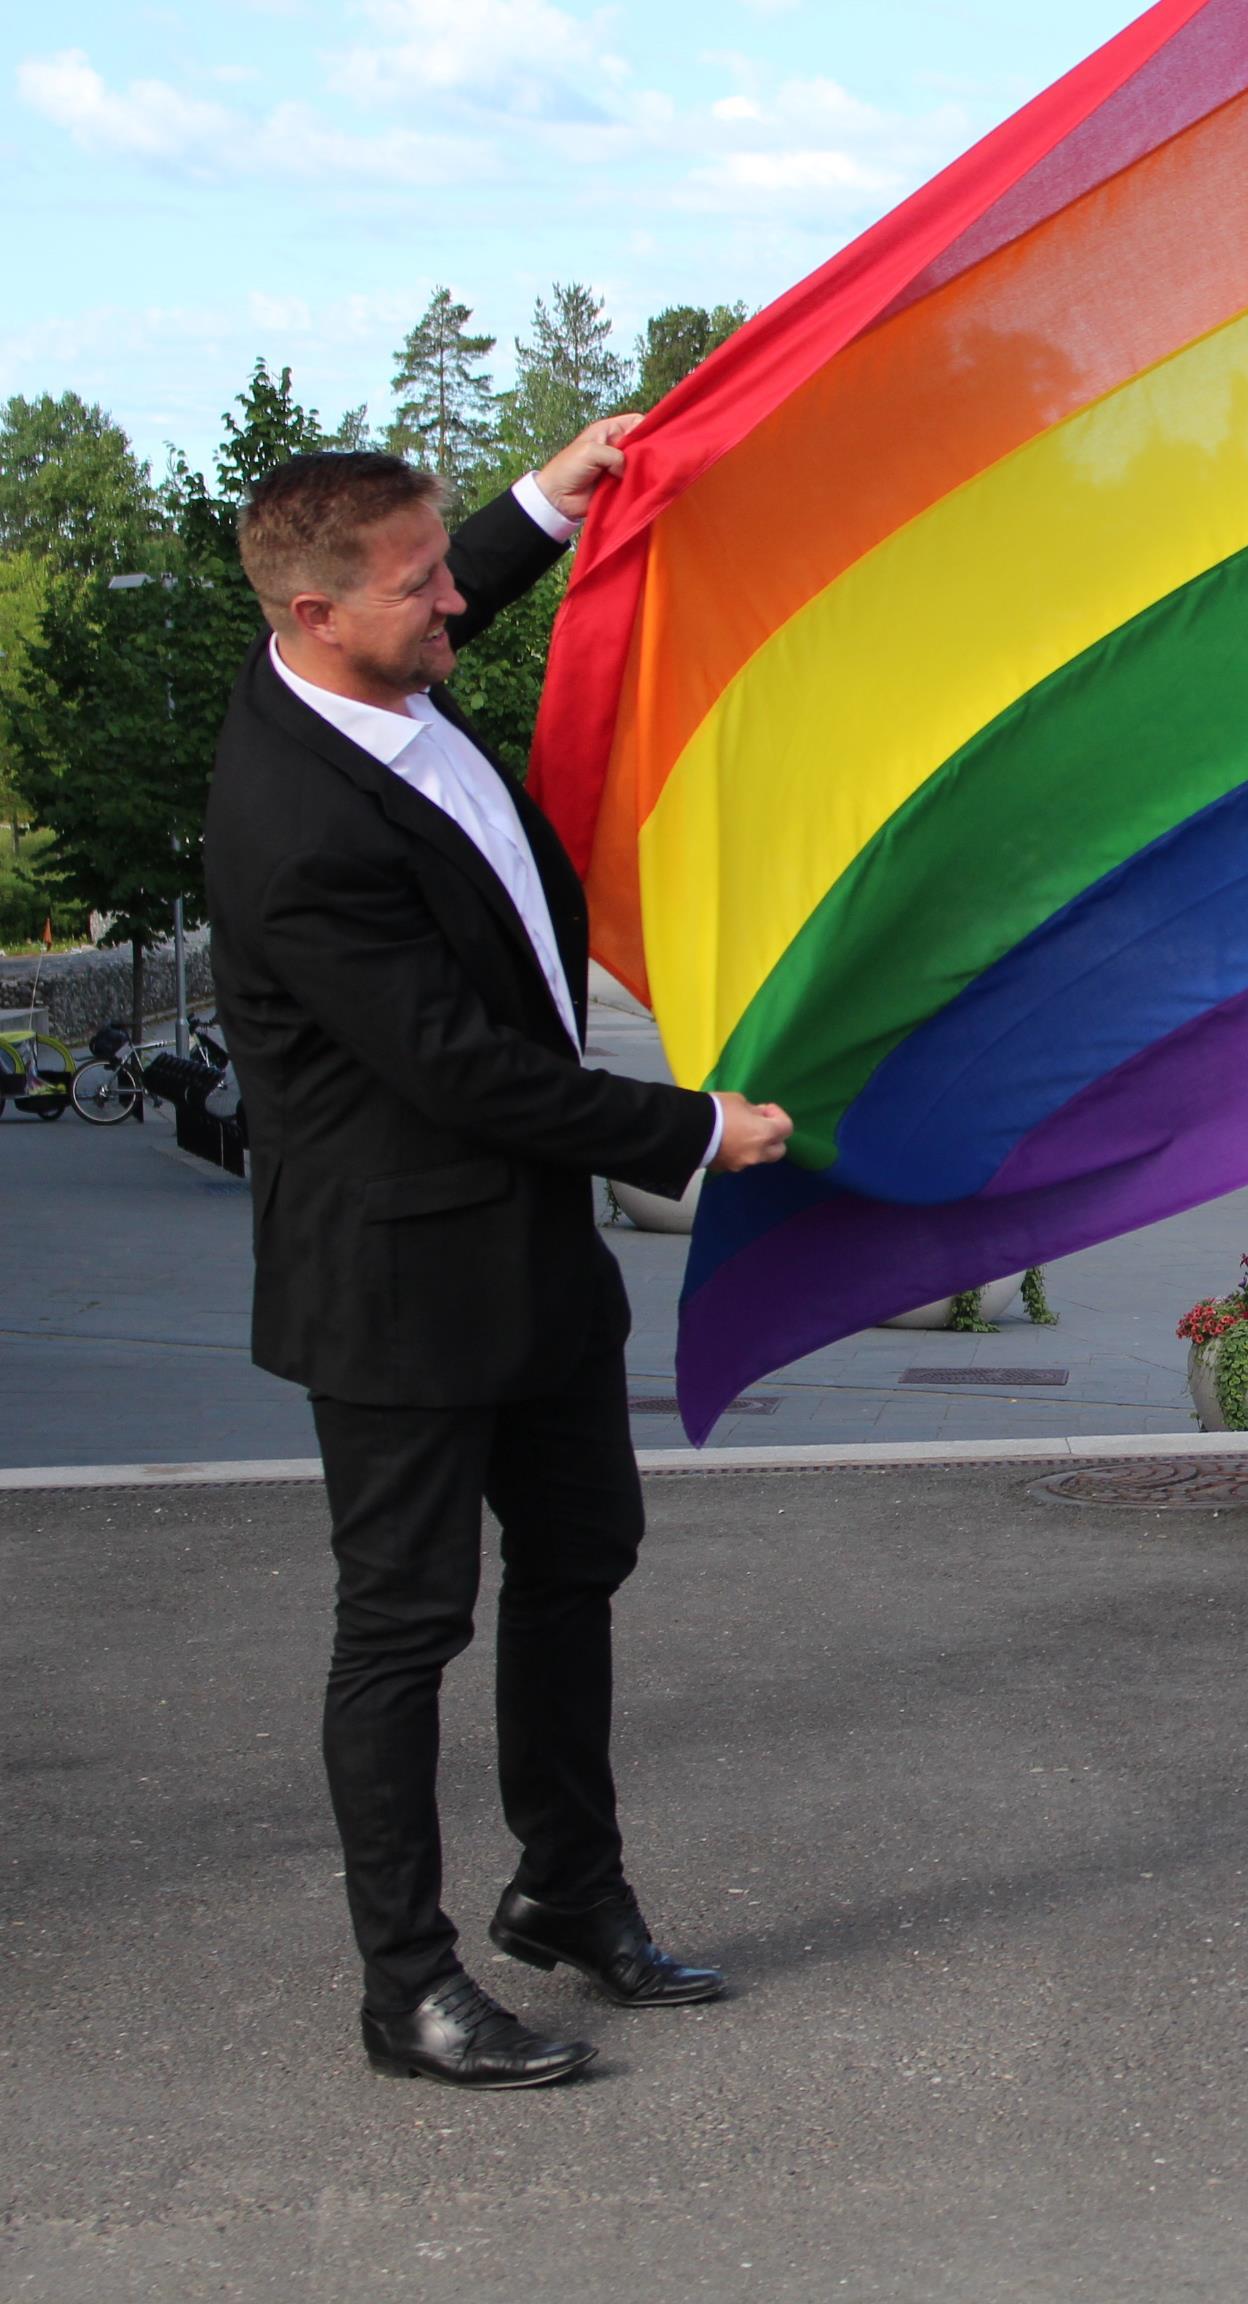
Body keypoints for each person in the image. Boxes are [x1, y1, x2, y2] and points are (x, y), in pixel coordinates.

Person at [207, 428, 796, 2089]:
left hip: (524, 1255)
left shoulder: (378, 658)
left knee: (578, 1558)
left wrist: (552, 496)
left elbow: (446, 568)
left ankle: (567, 1888)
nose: (451, 597)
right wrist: (692, 1132)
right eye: (419, 584)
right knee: (403, 1630)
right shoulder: (292, 825)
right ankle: (410, 1987)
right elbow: (459, 1068)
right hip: (395, 1282)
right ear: (317, 614)